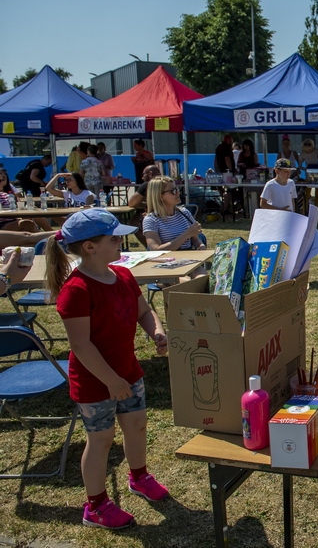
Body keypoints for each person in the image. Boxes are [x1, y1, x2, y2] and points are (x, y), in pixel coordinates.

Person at [44, 210, 169, 530]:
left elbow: (144, 311)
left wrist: (156, 330)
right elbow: (81, 346)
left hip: (127, 372)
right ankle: (96, 506)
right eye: (114, 238)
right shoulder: (76, 291)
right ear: (90, 247)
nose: (120, 242)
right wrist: (112, 381)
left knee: (137, 425)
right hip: (96, 381)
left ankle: (139, 477)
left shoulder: (124, 275)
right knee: (101, 439)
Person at [142, 177, 205, 251]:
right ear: (160, 196)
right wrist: (186, 235)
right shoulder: (151, 220)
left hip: (188, 258)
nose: (178, 193)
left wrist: (201, 245)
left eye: (177, 189)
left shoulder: (184, 213)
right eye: (173, 191)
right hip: (168, 260)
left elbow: (195, 239)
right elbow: (156, 250)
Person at [127, 165, 162, 247]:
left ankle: (149, 247)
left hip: (153, 216)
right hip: (166, 215)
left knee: (133, 224)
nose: (142, 177)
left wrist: (144, 205)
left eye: (144, 174)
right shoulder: (166, 183)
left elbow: (132, 203)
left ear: (150, 174)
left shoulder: (147, 184)